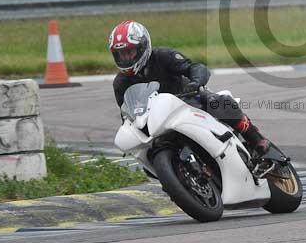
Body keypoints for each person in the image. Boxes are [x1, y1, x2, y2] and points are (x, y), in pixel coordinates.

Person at [108, 20, 270, 156]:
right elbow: (127, 115)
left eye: (130, 51)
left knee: (217, 102)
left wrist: (195, 83)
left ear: (143, 46)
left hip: (188, 102)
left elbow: (195, 68)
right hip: (156, 125)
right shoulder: (120, 83)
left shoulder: (163, 56)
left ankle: (255, 138)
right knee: (146, 156)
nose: (126, 57)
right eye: (121, 54)